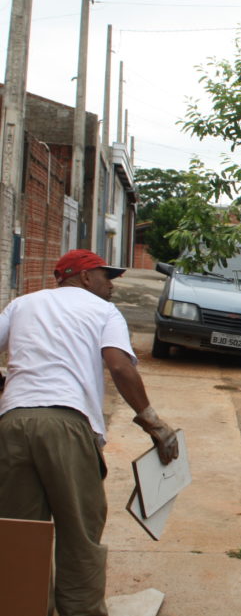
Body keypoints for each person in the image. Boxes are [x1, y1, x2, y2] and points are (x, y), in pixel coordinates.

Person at [0, 249, 179, 616]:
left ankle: (22, 607)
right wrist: (153, 422)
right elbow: (120, 367)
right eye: (105, 276)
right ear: (84, 278)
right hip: (66, 424)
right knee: (79, 531)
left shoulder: (21, 305)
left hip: (13, 423)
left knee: (19, 534)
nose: (111, 285)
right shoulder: (103, 311)